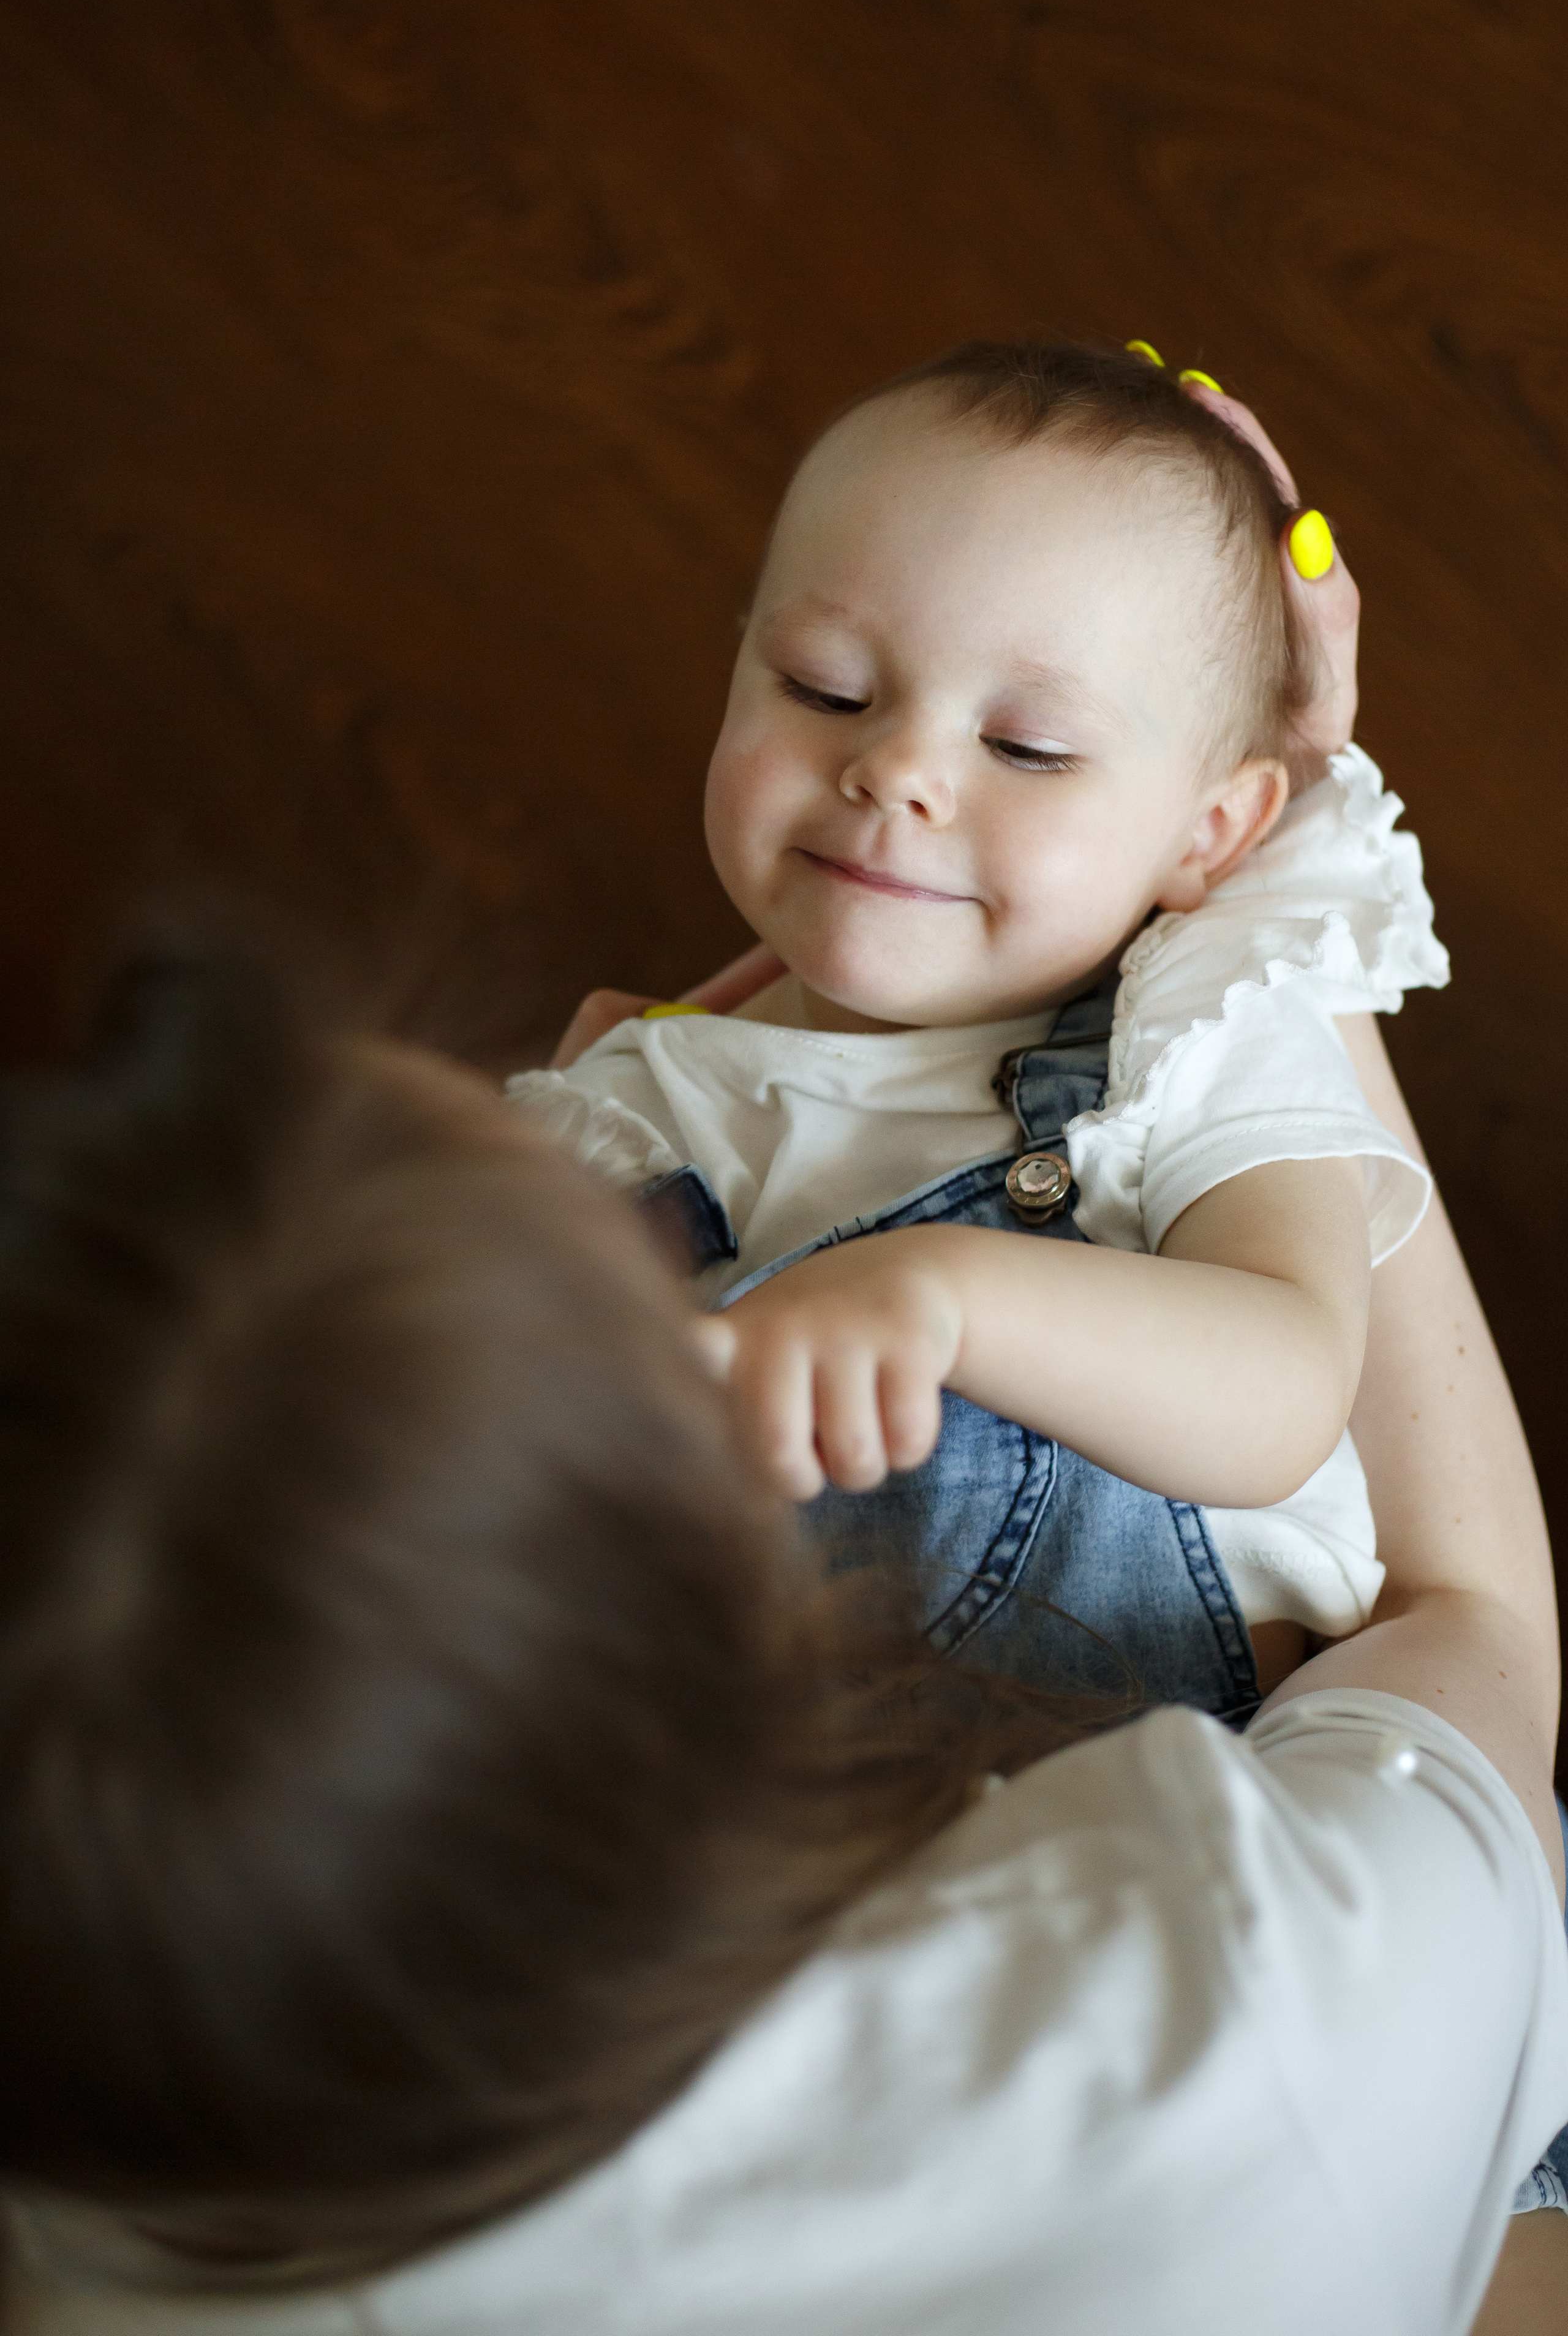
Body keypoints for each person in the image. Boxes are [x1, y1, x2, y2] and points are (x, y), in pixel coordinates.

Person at [0, 910, 1564, 2335]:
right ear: (736, 1561)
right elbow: (1461, 1614)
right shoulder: (1236, 1987)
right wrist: (1266, 944)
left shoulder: (88, 2190)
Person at [508, 337, 1449, 1716]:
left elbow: (1286, 1377)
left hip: (1125, 1813)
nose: (892, 769)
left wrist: (943, 1295)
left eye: (1026, 749)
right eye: (826, 687)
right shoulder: (640, 1091)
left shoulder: (1187, 1041)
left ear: (1208, 832)